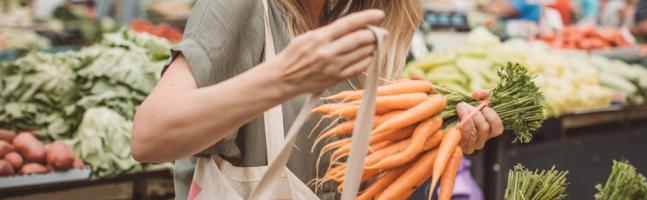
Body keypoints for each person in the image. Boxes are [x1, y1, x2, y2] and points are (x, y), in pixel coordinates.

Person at [130, 1, 504, 199]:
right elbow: (150, 135)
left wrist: (440, 135)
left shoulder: (353, 25)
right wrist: (284, 77)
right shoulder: (242, 7)